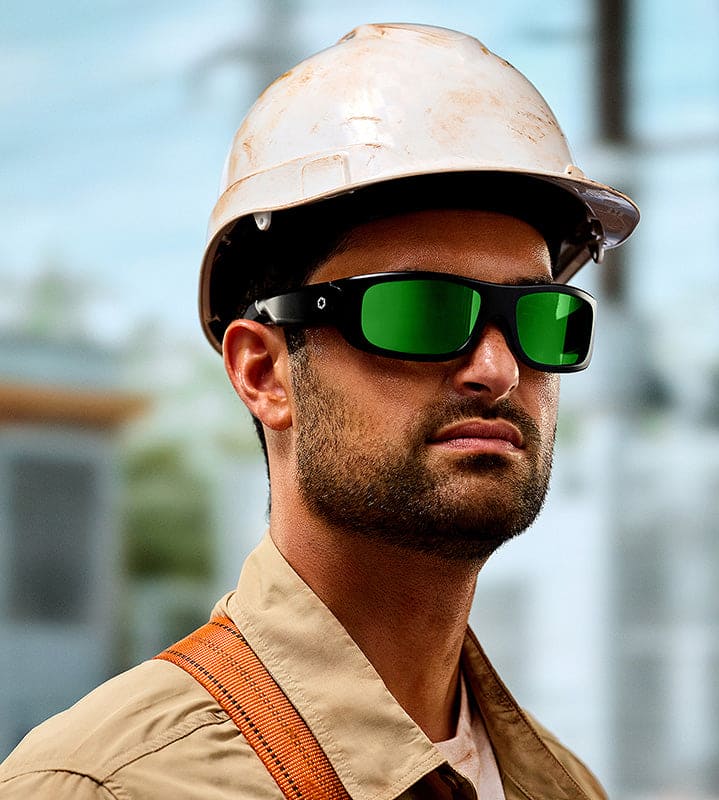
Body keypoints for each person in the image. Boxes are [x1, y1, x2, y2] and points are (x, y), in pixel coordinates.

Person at [0, 22, 638, 800]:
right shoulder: (111, 786)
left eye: (543, 320)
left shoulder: (561, 786)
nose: (498, 367)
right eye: (421, 312)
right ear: (263, 372)